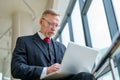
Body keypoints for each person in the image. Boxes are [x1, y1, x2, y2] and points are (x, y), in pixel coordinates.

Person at [11, 9, 96, 80]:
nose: (54, 29)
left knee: (86, 76)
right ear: (41, 22)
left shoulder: (61, 47)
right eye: (51, 24)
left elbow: (68, 69)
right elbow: (16, 69)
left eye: (56, 25)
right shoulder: (24, 41)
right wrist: (46, 70)